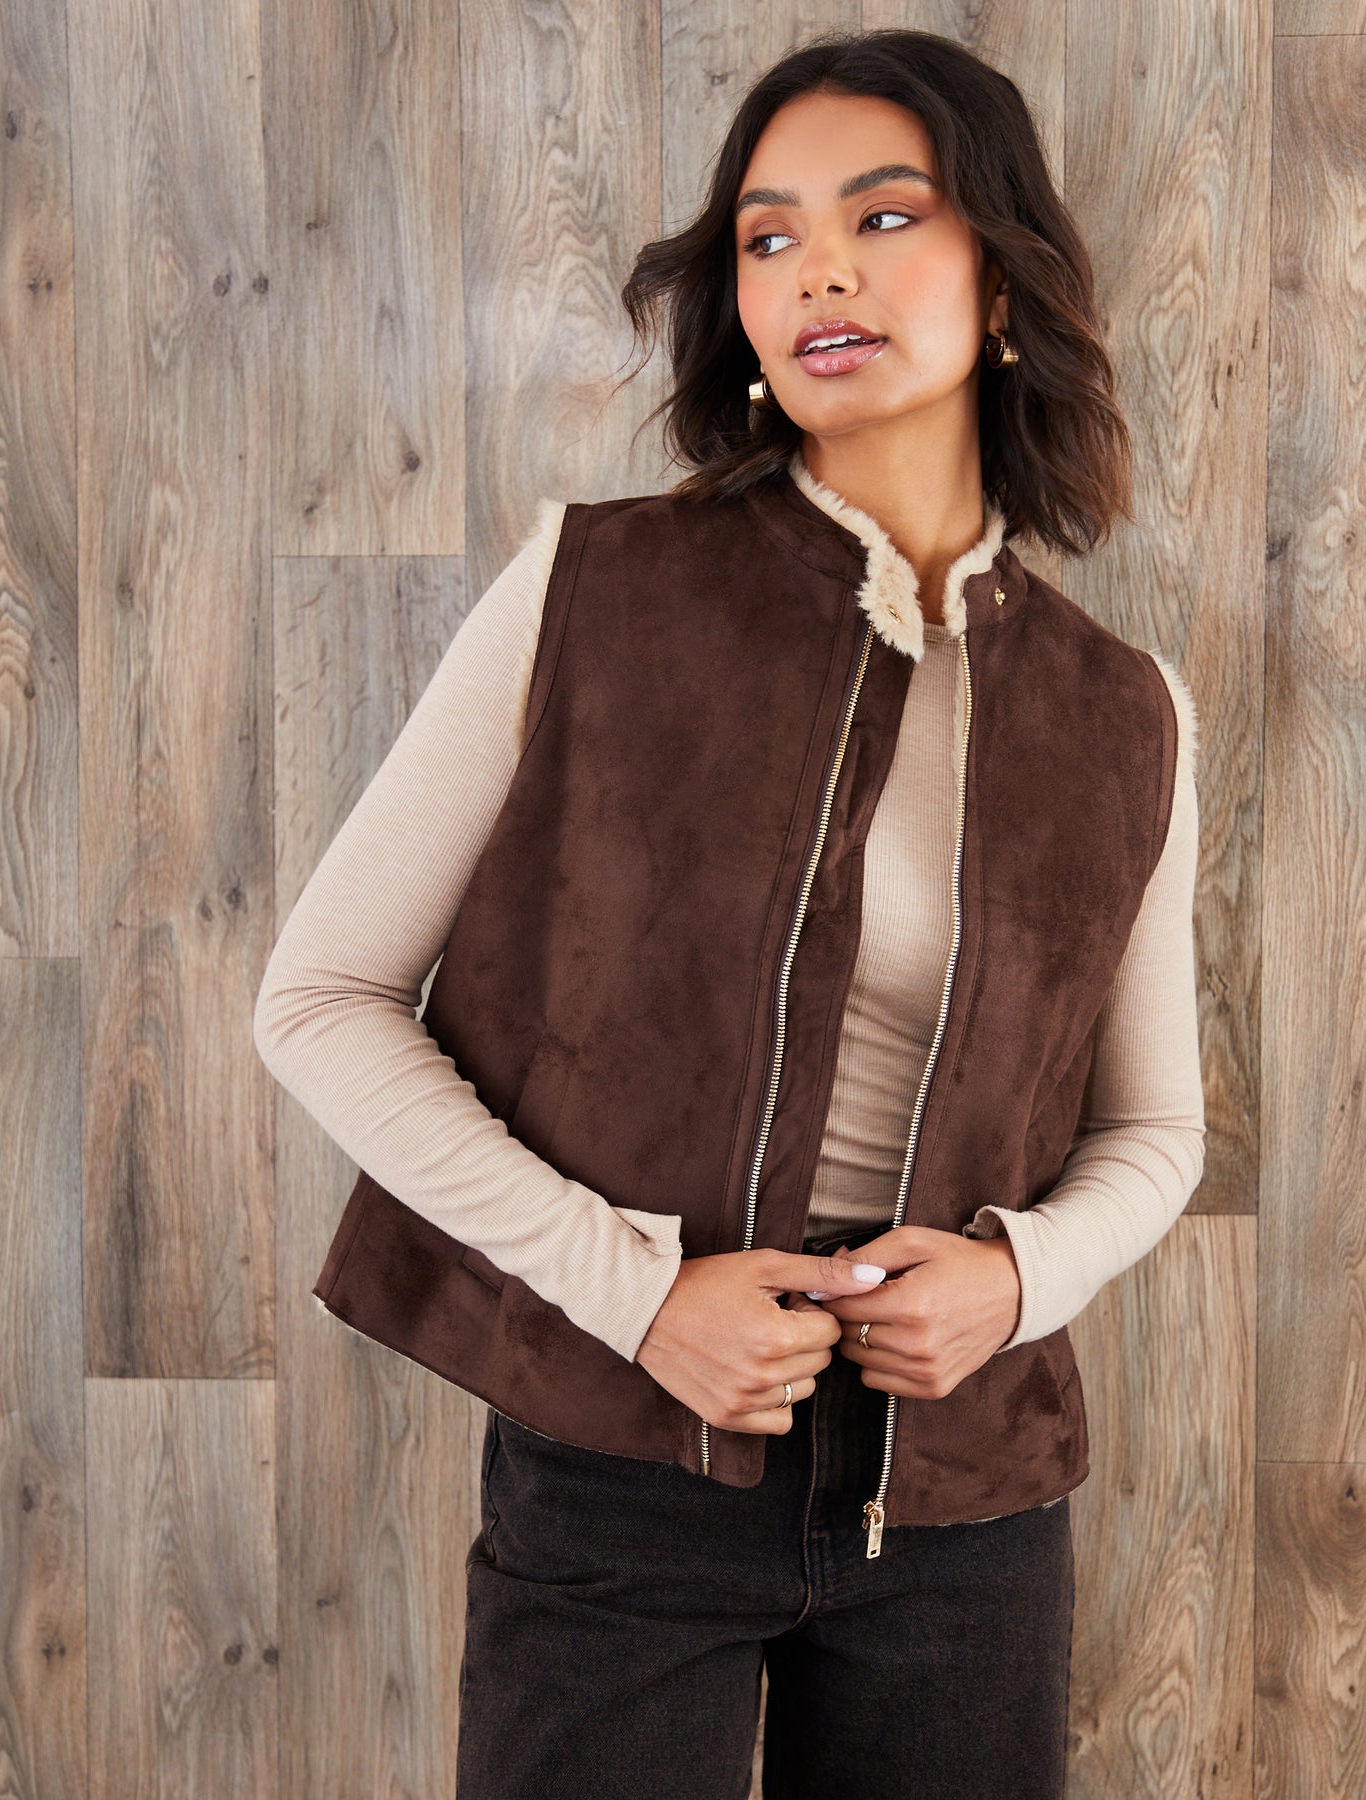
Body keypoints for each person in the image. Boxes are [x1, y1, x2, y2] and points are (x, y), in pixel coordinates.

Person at [253, 27, 1204, 1799]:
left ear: (1004, 285)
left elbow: (1154, 1131)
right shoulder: (593, 589)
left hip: (966, 1511)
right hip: (625, 1469)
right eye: (769, 237)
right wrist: (635, 1295)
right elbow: (318, 999)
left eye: (883, 215)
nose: (817, 269)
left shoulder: (1124, 709)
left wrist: (1014, 1280)